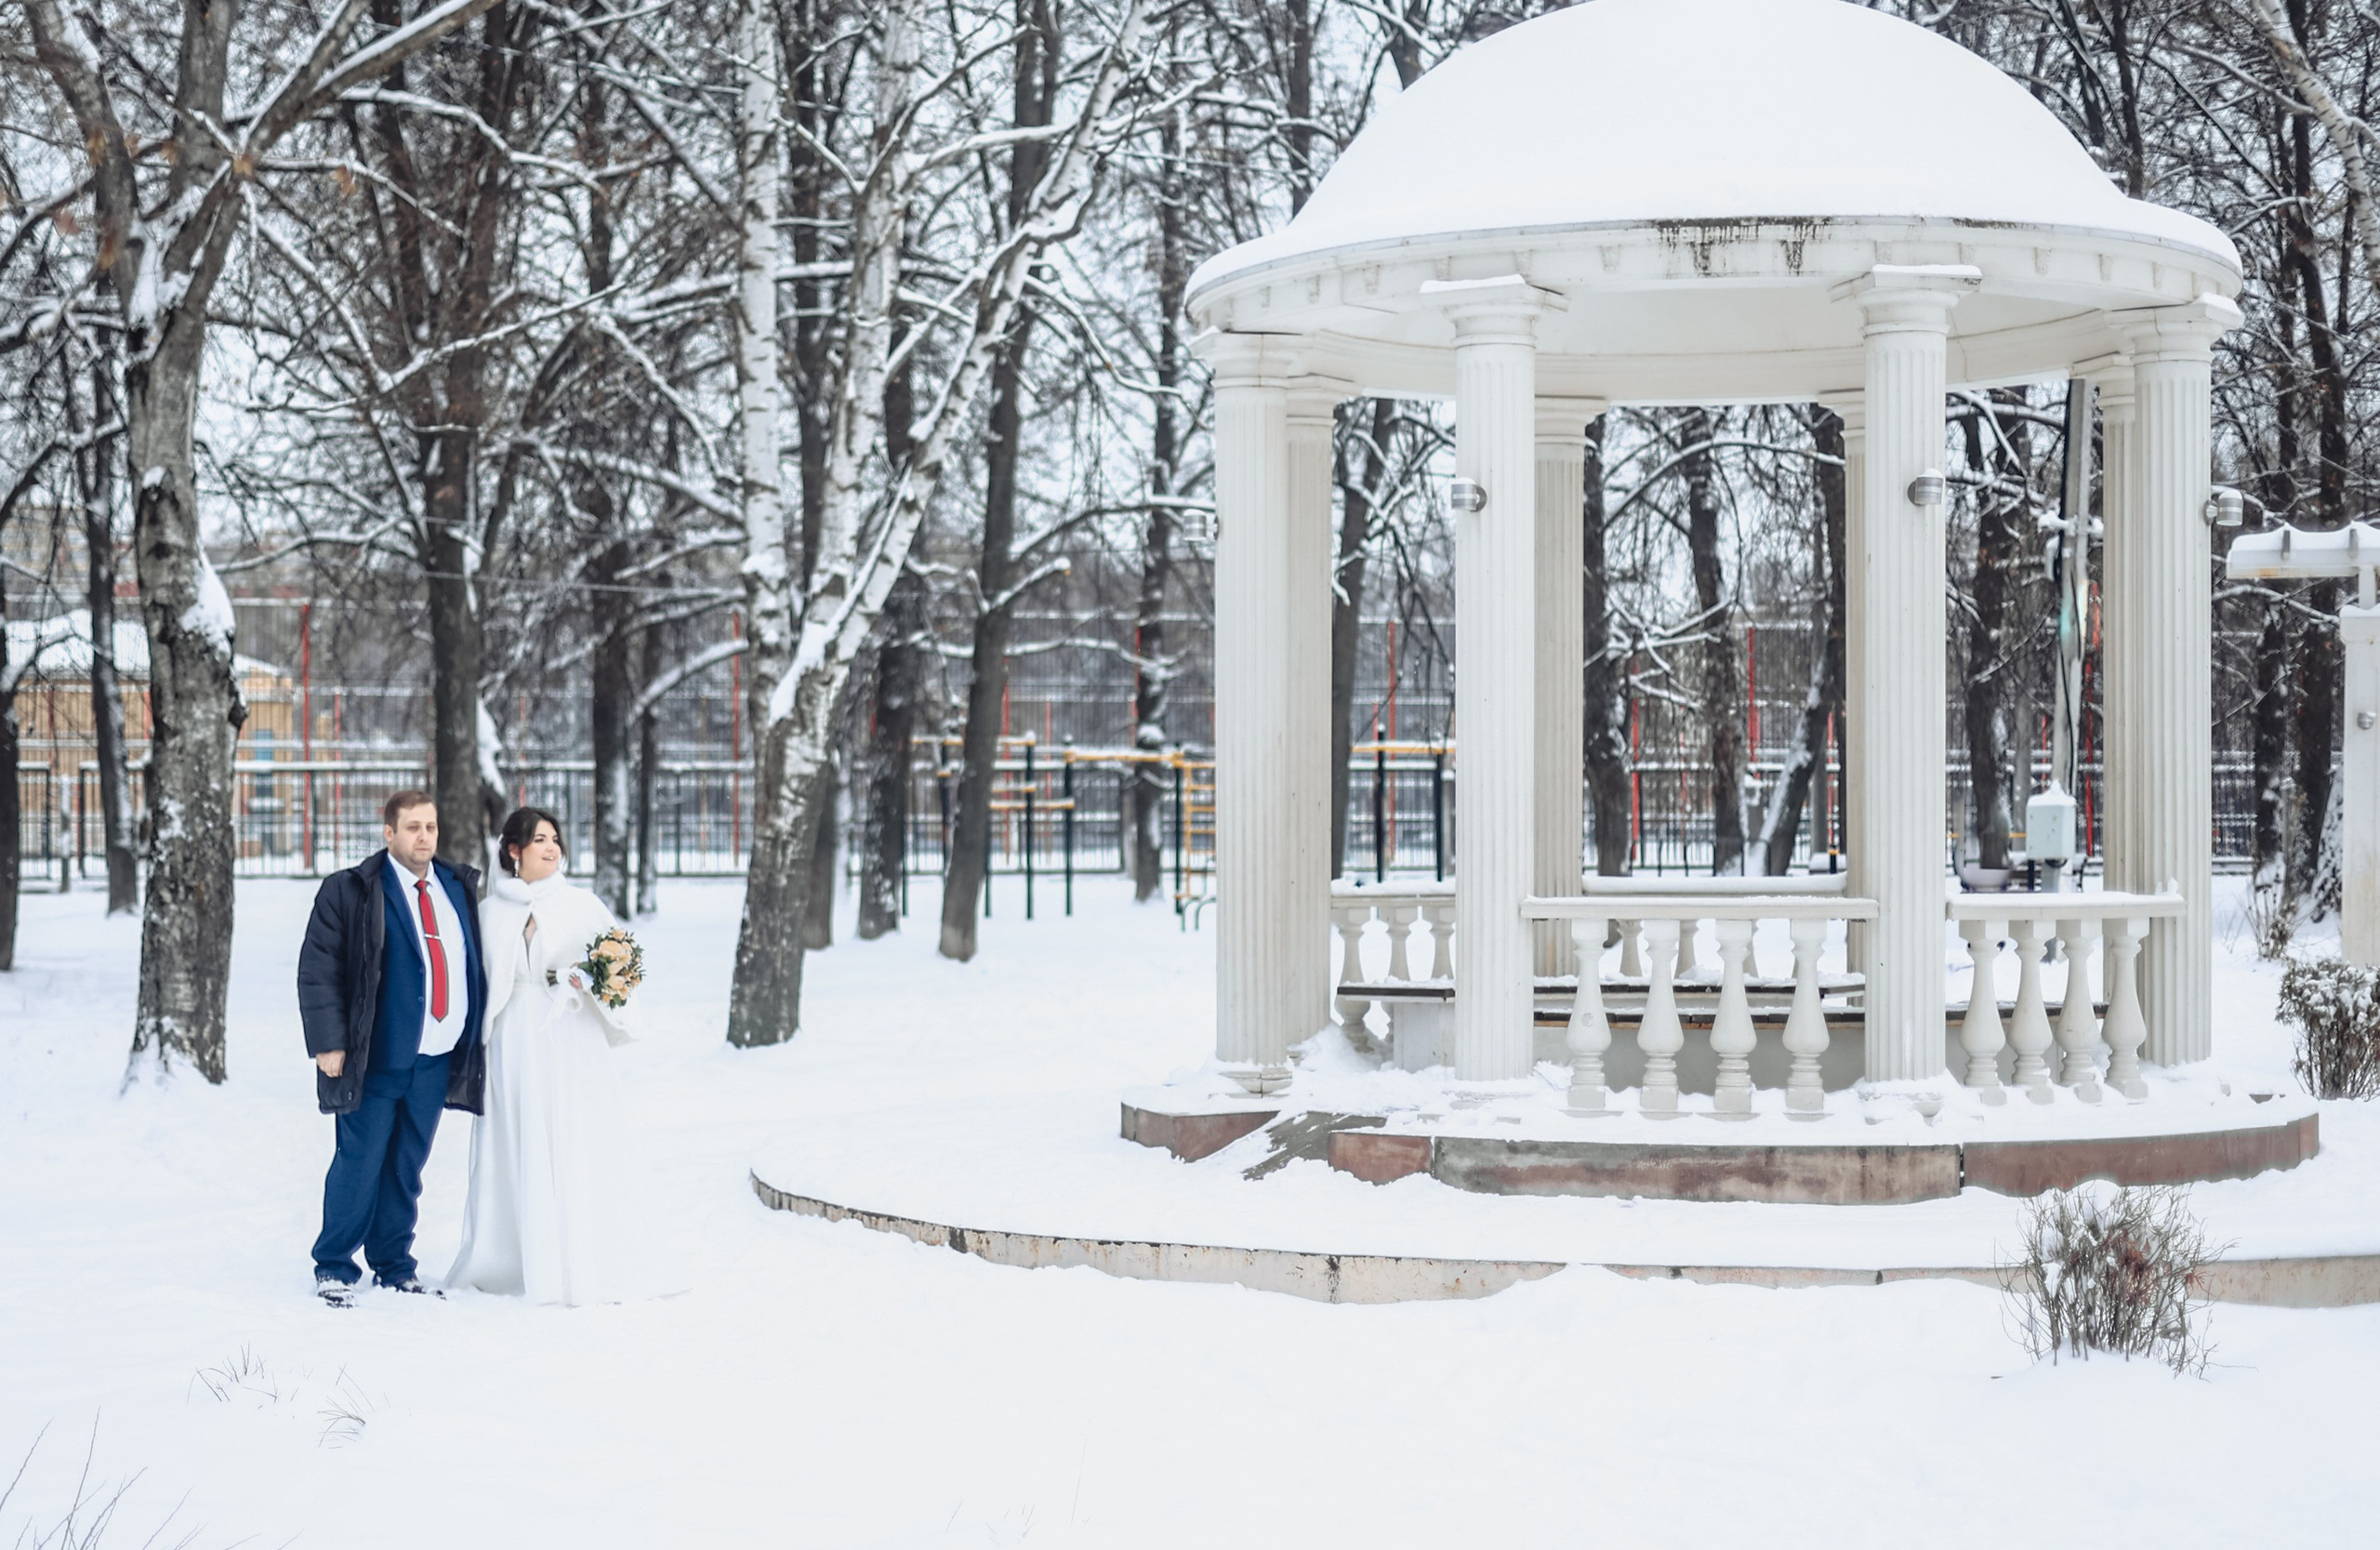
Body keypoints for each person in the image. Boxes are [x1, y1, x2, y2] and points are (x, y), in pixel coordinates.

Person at [446, 806, 673, 1306]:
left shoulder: (581, 905)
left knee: (573, 1132)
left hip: (568, 1035)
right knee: (517, 1139)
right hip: (510, 1040)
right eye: (540, 839)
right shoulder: (490, 912)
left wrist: (587, 979)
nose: (552, 848)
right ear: (513, 850)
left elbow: (621, 967)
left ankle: (583, 1258)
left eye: (556, 839)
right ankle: (512, 1259)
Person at [297, 791, 488, 1307]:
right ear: (388, 832)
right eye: (412, 828)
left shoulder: (456, 887)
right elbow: (319, 969)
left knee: (406, 1167)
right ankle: (335, 1265)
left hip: (435, 1056)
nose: (423, 837)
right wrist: (329, 1042)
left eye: (431, 827)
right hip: (376, 1055)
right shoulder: (354, 890)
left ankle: (394, 1265)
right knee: (358, 1161)